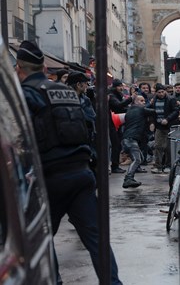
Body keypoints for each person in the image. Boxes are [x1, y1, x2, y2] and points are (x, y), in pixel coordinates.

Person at [15, 41, 122, 284]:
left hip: (49, 177)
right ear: (43, 68)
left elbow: (18, 138)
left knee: (39, 239)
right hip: (81, 173)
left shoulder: (25, 95)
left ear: (20, 69)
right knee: (97, 239)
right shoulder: (64, 91)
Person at [122, 95, 158, 188]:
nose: (144, 103)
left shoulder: (129, 110)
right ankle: (128, 179)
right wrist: (153, 103)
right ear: (135, 102)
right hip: (131, 139)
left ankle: (131, 177)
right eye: (141, 101)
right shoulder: (140, 110)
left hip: (128, 139)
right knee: (137, 159)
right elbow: (154, 112)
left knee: (140, 158)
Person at [150, 83, 179, 173]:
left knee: (168, 147)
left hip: (169, 125)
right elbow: (152, 112)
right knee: (158, 146)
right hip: (159, 125)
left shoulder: (171, 99)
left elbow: (176, 111)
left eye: (162, 92)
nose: (161, 94)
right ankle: (158, 165)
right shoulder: (154, 100)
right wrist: (152, 123)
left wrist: (167, 119)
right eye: (159, 92)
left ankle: (168, 165)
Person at [108, 78, 132, 173]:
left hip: (115, 122)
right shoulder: (112, 95)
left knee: (117, 144)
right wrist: (130, 99)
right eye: (119, 86)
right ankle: (114, 166)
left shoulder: (117, 95)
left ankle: (115, 165)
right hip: (112, 122)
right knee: (115, 144)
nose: (121, 88)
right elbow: (118, 106)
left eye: (121, 86)